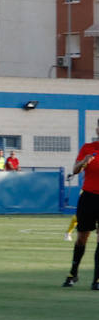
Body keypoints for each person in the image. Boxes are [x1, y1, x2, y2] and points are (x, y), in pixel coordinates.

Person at [63, 119, 99, 288]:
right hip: (88, 198)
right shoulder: (88, 148)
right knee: (82, 237)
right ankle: (73, 272)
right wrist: (83, 161)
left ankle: (97, 279)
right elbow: (75, 170)